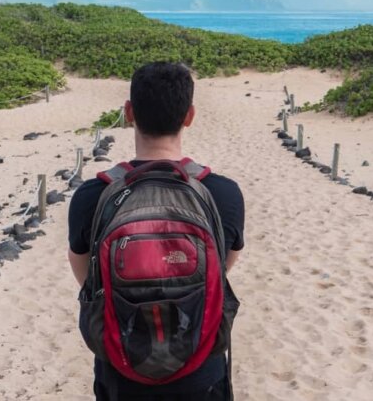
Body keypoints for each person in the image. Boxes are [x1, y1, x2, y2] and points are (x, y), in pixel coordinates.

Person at [68, 61, 245, 400]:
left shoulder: (92, 196)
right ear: (189, 115)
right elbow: (222, 265)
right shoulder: (224, 194)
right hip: (201, 369)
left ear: (129, 112)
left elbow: (87, 276)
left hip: (122, 370)